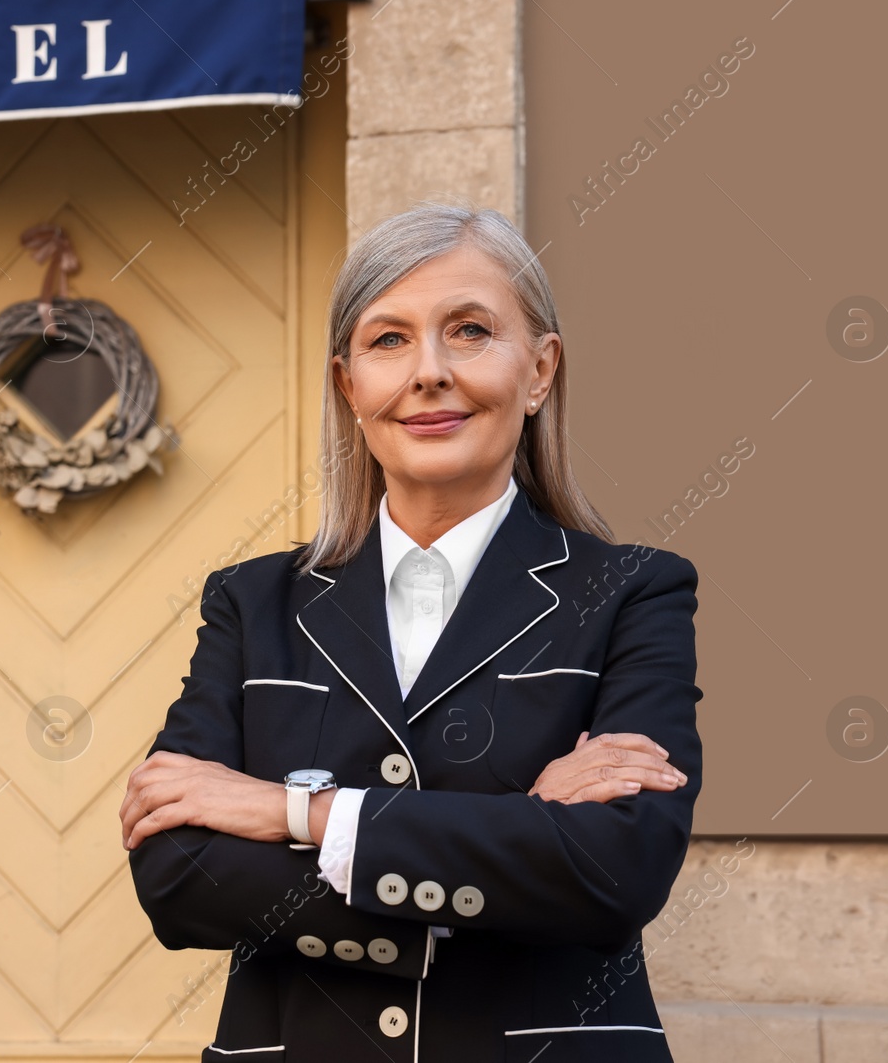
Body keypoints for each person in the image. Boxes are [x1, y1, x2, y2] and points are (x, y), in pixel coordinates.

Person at [121, 202, 702, 1063]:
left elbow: (615, 871)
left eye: (469, 330)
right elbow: (179, 877)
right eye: (388, 340)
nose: (428, 372)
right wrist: (515, 836)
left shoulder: (632, 592)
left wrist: (292, 811)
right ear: (348, 383)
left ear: (540, 369)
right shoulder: (251, 603)